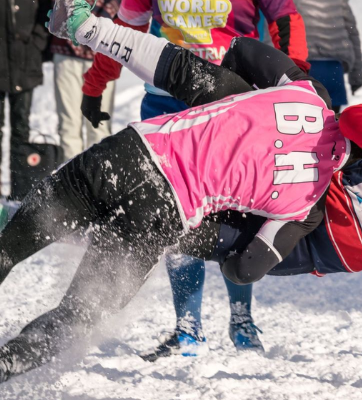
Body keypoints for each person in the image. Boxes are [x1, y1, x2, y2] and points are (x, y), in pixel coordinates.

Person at [0, 3, 346, 398]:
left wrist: (87, 30)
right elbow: (244, 269)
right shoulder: (306, 206)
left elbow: (179, 62)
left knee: (3, 252)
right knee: (80, 314)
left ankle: (188, 326)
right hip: (164, 215)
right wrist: (201, 232)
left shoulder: (298, 92)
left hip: (127, 155)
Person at [80, 0, 311, 354]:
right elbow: (126, 32)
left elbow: (285, 16)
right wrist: (96, 84)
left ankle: (242, 320)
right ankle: (188, 329)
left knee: (237, 213)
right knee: (172, 213)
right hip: (166, 103)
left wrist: (295, 80)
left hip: (233, 101)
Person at [0, 0, 57, 200]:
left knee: (21, 125)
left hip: (25, 59)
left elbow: (48, 9)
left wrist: (38, 40)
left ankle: (20, 184)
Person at [51, 0, 120, 162]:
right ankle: (72, 182)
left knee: (99, 126)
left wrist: (91, 28)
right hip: (66, 53)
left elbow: (123, 8)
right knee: (68, 125)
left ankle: (97, 180)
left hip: (103, 52)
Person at [295, 0, 362, 113]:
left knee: (306, 120)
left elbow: (280, 28)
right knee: (331, 122)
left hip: (305, 67)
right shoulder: (340, 2)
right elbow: (352, 34)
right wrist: (356, 76)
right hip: (334, 70)